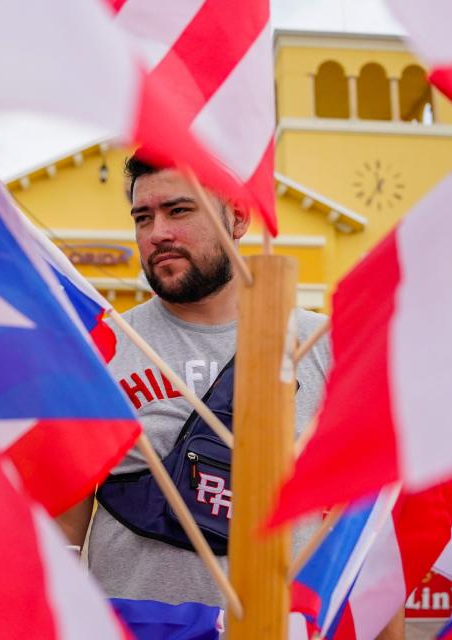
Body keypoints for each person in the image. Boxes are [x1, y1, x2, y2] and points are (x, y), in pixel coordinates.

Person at [58, 156, 331, 607]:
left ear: (238, 218)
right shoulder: (99, 350)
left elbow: (368, 528)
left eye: (179, 210)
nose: (157, 233)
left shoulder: (323, 345)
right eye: (142, 218)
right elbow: (65, 524)